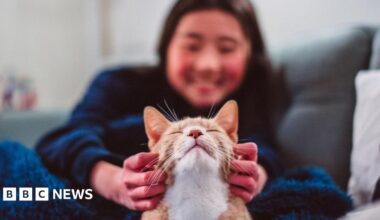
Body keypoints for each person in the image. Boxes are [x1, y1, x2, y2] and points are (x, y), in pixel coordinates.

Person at [36, 0, 283, 215]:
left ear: (250, 56)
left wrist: (256, 176)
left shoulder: (250, 99)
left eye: (227, 48)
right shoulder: (117, 83)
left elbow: (265, 149)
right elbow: (65, 137)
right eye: (192, 46)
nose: (208, 64)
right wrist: (114, 182)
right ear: (166, 47)